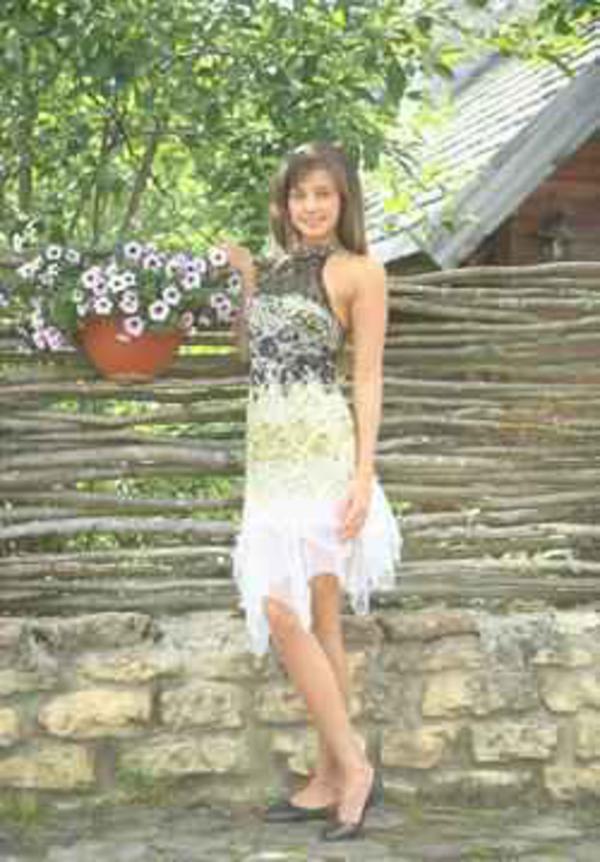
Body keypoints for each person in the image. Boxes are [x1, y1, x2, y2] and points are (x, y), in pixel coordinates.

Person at [223, 141, 401, 841]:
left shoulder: (362, 272)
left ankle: (351, 769)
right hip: (268, 458)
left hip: (323, 456)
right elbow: (252, 354)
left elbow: (368, 376)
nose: (311, 205)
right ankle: (330, 776)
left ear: (344, 199)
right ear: (285, 202)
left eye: (324, 193)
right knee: (311, 620)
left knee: (291, 610)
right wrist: (247, 279)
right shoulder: (274, 272)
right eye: (300, 194)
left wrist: (363, 474)